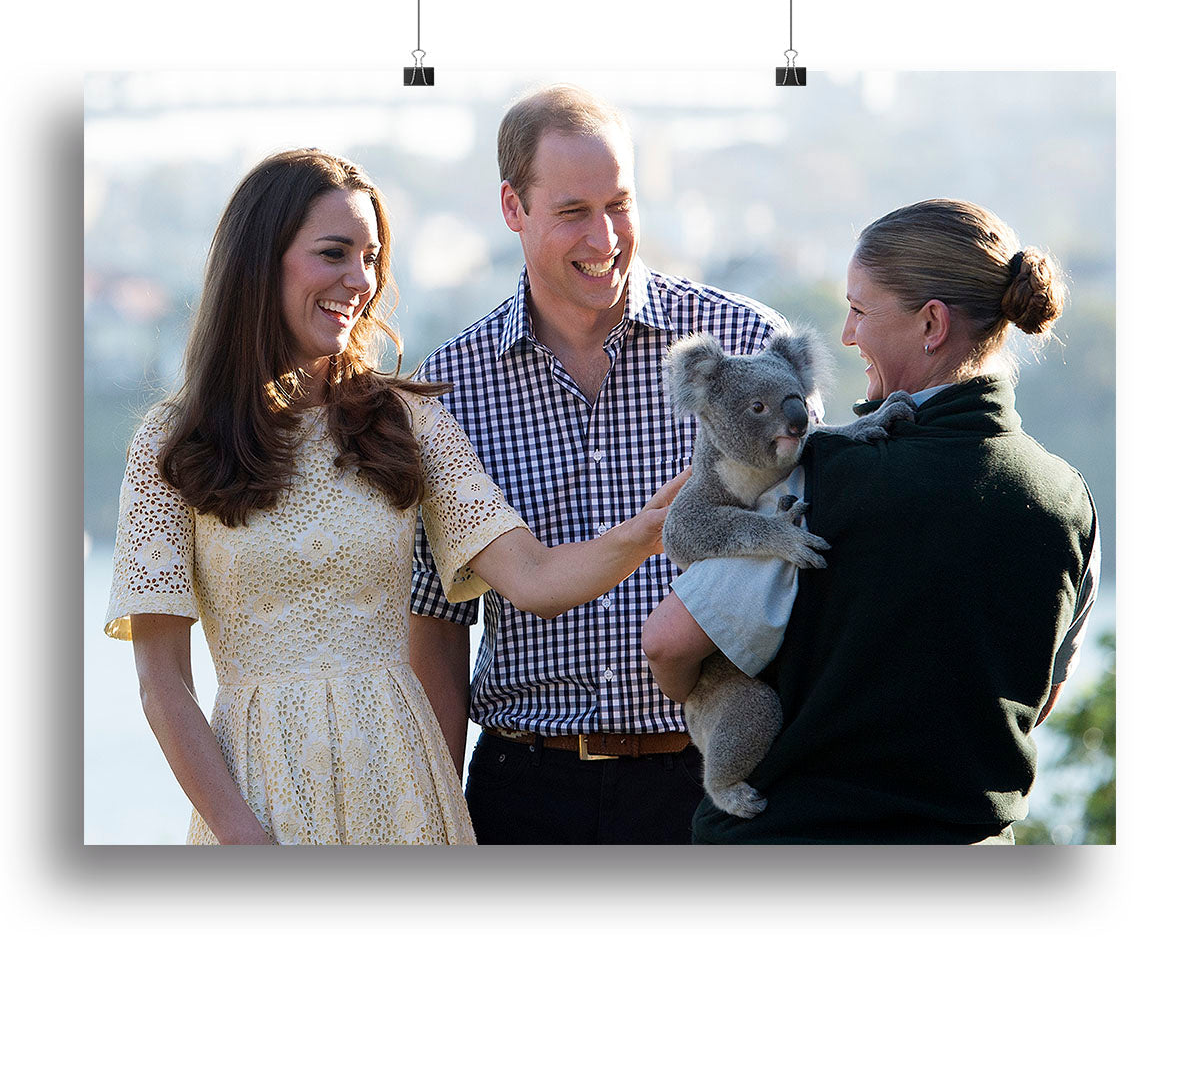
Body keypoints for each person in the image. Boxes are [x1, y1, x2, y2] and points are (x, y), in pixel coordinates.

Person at [104, 148, 682, 845]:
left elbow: (532, 577)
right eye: (333, 253)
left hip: (405, 793)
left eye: (372, 258)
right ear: (260, 261)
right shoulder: (173, 443)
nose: (360, 280)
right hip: (258, 796)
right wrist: (240, 835)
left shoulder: (408, 422)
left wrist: (647, 532)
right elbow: (162, 683)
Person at [643, 198, 1101, 844]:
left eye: (859, 311)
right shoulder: (1071, 502)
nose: (848, 335)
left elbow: (668, 642)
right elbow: (1040, 698)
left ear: (932, 324)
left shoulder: (819, 478)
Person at [409, 84, 786, 844]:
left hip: (712, 779)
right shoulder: (449, 390)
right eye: (573, 212)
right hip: (527, 790)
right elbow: (439, 630)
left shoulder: (742, 343)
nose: (605, 236)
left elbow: (813, 559)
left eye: (619, 204)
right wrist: (435, 829)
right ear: (513, 209)